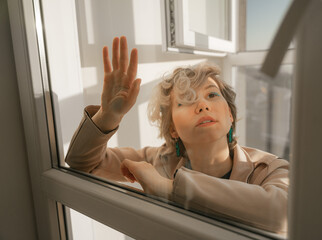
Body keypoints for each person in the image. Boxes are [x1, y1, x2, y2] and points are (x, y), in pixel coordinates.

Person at [65, 36, 289, 234]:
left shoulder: (269, 169)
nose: (202, 105)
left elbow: (285, 214)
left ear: (229, 114)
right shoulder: (158, 160)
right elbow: (82, 163)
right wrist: (107, 117)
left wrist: (169, 189)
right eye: (186, 100)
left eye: (212, 94)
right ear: (172, 128)